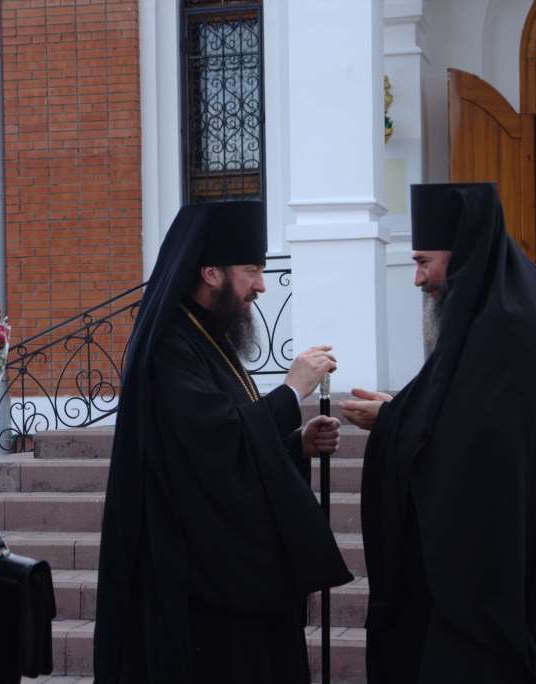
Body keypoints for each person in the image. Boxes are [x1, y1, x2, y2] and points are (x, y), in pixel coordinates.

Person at [341, 184, 536, 683]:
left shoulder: (512, 328)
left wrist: (393, 425)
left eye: (424, 261)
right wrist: (401, 414)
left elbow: (478, 454)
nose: (417, 278)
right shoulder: (502, 314)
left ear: (464, 253)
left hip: (534, 589)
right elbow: (466, 415)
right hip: (531, 565)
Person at [94, 201, 353, 683]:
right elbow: (213, 445)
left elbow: (231, 442)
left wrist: (296, 446)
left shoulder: (207, 337)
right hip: (194, 582)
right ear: (211, 272)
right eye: (251, 270)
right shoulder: (170, 346)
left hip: (228, 571)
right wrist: (291, 391)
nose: (261, 285)